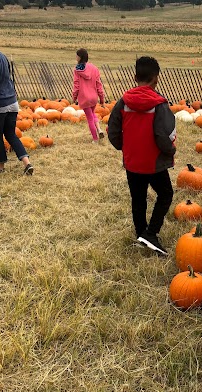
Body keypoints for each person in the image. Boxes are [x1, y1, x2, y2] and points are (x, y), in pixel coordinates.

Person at [108, 56, 176, 256]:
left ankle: (141, 233)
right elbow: (164, 135)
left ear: (134, 77)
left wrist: (124, 146)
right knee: (165, 194)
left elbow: (112, 130)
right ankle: (151, 233)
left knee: (138, 199)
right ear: (156, 79)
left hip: (133, 162)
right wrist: (170, 151)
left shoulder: (123, 102)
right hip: (154, 163)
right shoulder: (160, 104)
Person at [0, 50, 34, 175]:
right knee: (11, 134)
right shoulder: (2, 56)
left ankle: (0, 167)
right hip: (12, 101)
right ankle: (27, 163)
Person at [72, 48, 105, 143]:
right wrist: (102, 99)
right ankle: (99, 129)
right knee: (93, 114)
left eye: (77, 55)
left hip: (84, 98)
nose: (76, 57)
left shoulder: (77, 70)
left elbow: (76, 85)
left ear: (80, 57)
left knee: (90, 119)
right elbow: (99, 84)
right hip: (94, 97)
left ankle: (95, 139)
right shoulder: (94, 68)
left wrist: (74, 97)